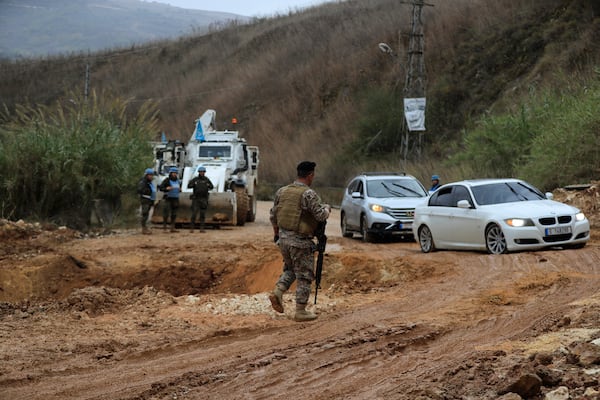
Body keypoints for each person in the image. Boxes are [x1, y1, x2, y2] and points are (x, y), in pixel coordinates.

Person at [268, 161, 331, 322]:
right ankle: (300, 310)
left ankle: (278, 291)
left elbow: (273, 216)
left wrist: (277, 235)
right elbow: (320, 216)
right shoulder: (308, 194)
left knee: (290, 268)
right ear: (310, 175)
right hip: (300, 241)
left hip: (283, 239)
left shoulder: (282, 191)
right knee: (304, 275)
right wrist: (327, 209)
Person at [187, 166, 214, 232]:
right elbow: (189, 186)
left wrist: (208, 185)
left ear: (204, 172)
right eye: (200, 172)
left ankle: (202, 228)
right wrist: (193, 184)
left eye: (203, 172)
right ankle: (192, 228)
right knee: (194, 214)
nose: (202, 173)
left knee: (202, 214)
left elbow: (212, 187)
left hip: (204, 199)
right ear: (198, 172)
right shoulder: (195, 179)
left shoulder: (206, 179)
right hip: (196, 199)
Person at [159, 166, 181, 232]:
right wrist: (166, 189)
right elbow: (161, 188)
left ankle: (172, 227)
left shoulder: (178, 181)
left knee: (174, 214)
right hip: (168, 198)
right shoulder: (167, 180)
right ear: (170, 173)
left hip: (175, 198)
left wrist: (180, 190)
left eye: (175, 173)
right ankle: (165, 227)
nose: (174, 174)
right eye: (173, 173)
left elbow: (178, 189)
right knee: (166, 213)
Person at [137, 168, 156, 235]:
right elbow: (140, 190)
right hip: (145, 199)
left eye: (152, 175)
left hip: (150, 200)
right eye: (150, 175)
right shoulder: (143, 182)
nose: (151, 176)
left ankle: (145, 227)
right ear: (146, 175)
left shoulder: (150, 182)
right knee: (145, 214)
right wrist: (147, 191)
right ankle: (143, 228)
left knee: (147, 214)